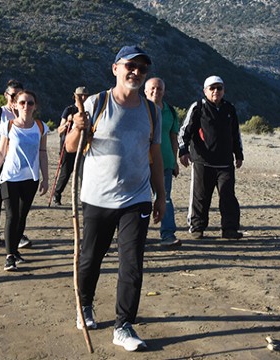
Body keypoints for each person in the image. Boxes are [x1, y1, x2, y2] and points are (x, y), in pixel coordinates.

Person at [65, 45, 165, 352]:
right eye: (130, 66)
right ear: (115, 69)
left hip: (136, 199)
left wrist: (161, 196)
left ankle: (124, 325)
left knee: (132, 263)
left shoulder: (151, 111)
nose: (136, 72)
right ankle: (85, 305)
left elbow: (155, 155)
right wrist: (77, 129)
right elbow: (71, 147)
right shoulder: (96, 103)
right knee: (90, 258)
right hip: (97, 197)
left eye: (142, 68)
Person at [0, 90, 49, 271]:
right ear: (15, 105)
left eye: (30, 103)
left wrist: (45, 178)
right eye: (22, 102)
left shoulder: (41, 126)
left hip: (30, 179)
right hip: (9, 178)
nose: (26, 106)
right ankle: (9, 256)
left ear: (35, 106)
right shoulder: (8, 125)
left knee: (22, 217)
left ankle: (15, 251)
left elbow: (43, 153)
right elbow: (1, 153)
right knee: (12, 215)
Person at [178, 75, 244, 240]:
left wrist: (239, 154)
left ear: (224, 90)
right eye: (212, 88)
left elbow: (235, 134)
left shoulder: (230, 109)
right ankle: (197, 228)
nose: (216, 91)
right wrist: (183, 150)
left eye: (219, 88)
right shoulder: (198, 107)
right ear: (205, 91)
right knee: (200, 197)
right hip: (202, 162)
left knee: (228, 196)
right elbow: (185, 131)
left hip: (225, 163)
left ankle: (229, 229)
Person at [0, 80, 32, 249]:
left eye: (19, 95)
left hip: (17, 162)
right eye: (13, 95)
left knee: (16, 202)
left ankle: (16, 233)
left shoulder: (23, 111)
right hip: (1, 159)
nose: (16, 98)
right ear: (6, 95)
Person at [144, 77, 181, 247]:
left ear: (164, 91)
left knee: (164, 197)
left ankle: (168, 235)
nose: (155, 92)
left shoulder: (170, 112)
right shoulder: (138, 109)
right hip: (140, 162)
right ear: (145, 91)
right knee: (140, 200)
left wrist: (174, 161)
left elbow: (174, 138)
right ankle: (137, 235)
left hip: (164, 162)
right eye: (152, 88)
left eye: (159, 89)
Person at [51, 86, 89, 206]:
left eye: (86, 95)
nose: (84, 98)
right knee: (65, 172)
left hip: (83, 147)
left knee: (84, 173)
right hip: (67, 147)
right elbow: (60, 130)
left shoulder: (90, 110)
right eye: (81, 96)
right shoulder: (69, 110)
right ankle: (56, 195)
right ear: (75, 96)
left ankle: (85, 199)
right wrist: (68, 122)